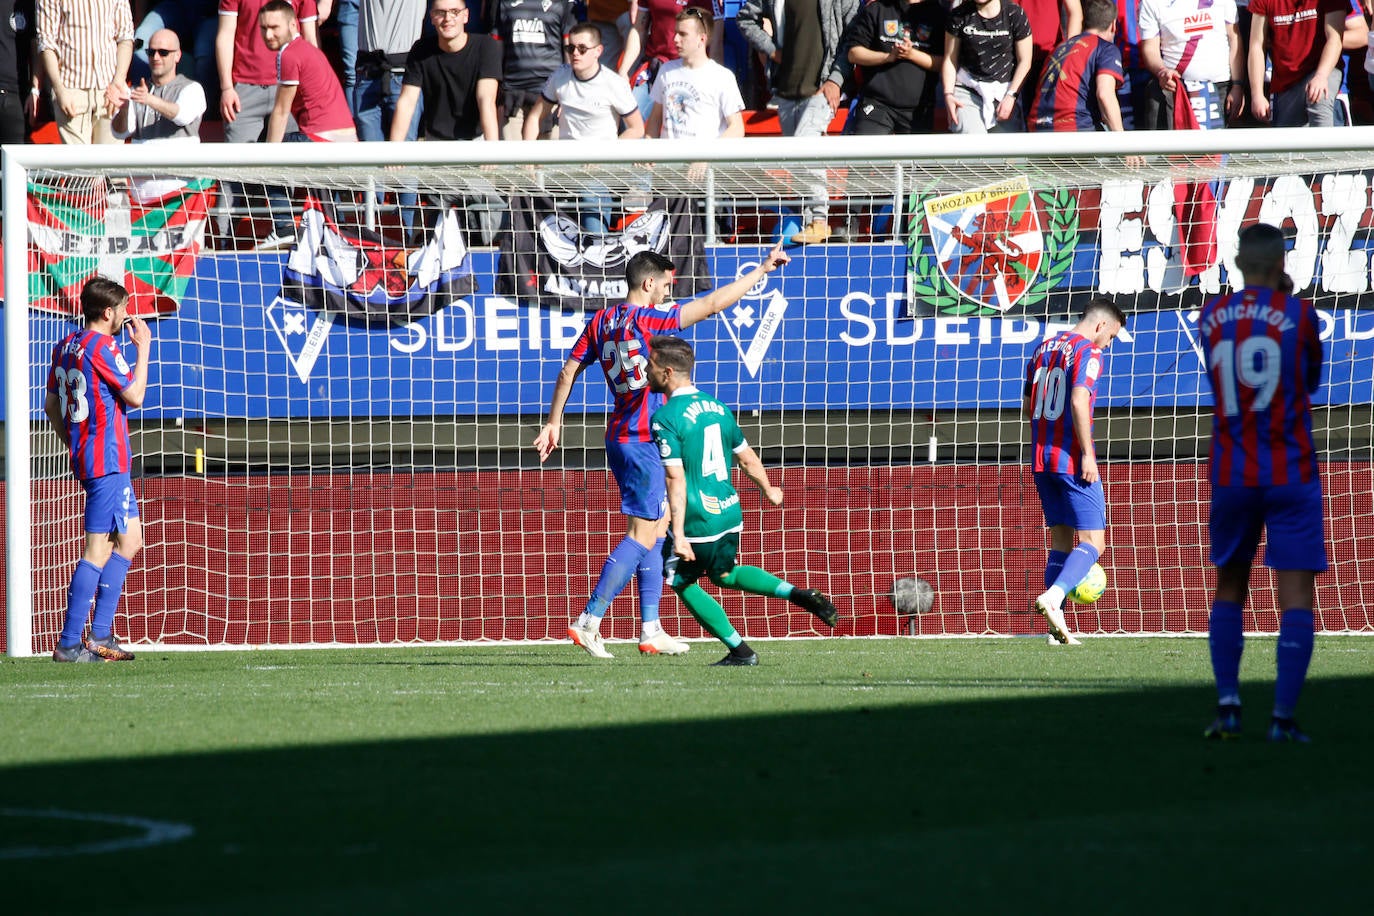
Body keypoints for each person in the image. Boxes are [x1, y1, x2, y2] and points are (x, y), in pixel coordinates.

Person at [533, 242, 792, 659]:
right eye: (665, 283)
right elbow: (710, 304)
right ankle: (590, 618)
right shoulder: (651, 319)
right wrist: (761, 270)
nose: (669, 290)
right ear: (648, 283)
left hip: (619, 436)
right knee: (644, 532)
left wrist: (554, 421)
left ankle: (651, 628)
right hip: (644, 441)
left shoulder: (600, 321)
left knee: (659, 526)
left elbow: (569, 370)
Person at [1197, 223, 1325, 743]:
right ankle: (1282, 720)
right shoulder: (1300, 315)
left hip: (1232, 469)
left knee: (1230, 584)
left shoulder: (1211, 317)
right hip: (1290, 469)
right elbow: (1311, 380)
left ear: (1236, 262)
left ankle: (1228, 707)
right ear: (1281, 264)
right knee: (1295, 595)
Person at [645, 336, 838, 666]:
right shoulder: (718, 407)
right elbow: (747, 458)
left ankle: (740, 650)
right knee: (725, 574)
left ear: (666, 372)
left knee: (680, 580)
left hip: (698, 518)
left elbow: (675, 478)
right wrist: (769, 490)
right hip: (729, 510)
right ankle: (796, 593)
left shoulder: (666, 417)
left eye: (649, 365)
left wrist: (677, 533)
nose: (645, 370)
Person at [44, 278, 152, 663]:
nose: (126, 314)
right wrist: (144, 350)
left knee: (131, 540)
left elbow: (51, 406)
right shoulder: (103, 346)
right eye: (122, 308)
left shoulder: (65, 345)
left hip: (96, 458)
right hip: (107, 459)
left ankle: (100, 635)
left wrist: (73, 442)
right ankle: (71, 643)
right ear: (108, 313)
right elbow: (135, 396)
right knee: (98, 548)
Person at [1025, 296, 1126, 646]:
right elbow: (1079, 399)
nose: (1107, 345)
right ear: (1100, 326)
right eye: (1110, 337)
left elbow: (1027, 404)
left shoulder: (1042, 348)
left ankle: (1056, 630)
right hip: (1070, 458)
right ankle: (1054, 598)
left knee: (1060, 541)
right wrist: (1087, 454)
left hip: (1041, 458)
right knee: (1093, 542)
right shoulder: (1088, 352)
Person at [736, 0, 859, 244]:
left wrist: (835, 79)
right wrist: (771, 50)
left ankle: (820, 221)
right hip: (785, 91)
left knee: (806, 145)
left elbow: (852, 38)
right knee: (796, 160)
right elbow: (745, 19)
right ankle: (808, 224)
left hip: (822, 89)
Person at [217, 0, 320, 249]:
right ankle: (223, 245)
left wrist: (310, 90)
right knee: (234, 174)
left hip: (290, 87)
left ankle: (290, 233)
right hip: (244, 90)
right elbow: (225, 34)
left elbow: (310, 39)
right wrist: (226, 87)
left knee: (286, 167)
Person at [523, 22, 645, 234]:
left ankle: (597, 251)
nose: (575, 54)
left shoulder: (613, 83)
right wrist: (527, 158)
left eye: (582, 49)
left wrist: (604, 154)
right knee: (522, 189)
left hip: (602, 167)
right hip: (564, 164)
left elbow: (637, 129)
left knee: (591, 194)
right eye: (570, 48)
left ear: (598, 51)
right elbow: (534, 117)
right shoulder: (560, 76)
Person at [392, 0, 500, 143]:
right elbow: (407, 101)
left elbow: (486, 100)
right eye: (440, 13)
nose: (448, 18)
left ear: (466, 15)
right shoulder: (421, 50)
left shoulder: (486, 46)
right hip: (435, 142)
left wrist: (492, 153)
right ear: (431, 17)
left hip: (475, 141)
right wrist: (395, 151)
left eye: (455, 12)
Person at [841, 0, 947, 136]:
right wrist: (888, 57)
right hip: (877, 104)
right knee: (869, 155)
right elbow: (854, 53)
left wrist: (912, 54)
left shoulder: (938, 14)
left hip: (918, 109)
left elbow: (946, 63)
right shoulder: (877, 8)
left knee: (915, 157)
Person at [36, 0, 135, 144]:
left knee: (109, 163)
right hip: (71, 89)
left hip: (109, 88)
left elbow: (125, 36)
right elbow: (46, 43)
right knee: (78, 164)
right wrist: (59, 89)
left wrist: (119, 81)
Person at [1137, 0, 1243, 129]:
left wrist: (1237, 85)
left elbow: (1234, 39)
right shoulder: (1151, 3)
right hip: (1175, 87)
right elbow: (1149, 48)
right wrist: (1161, 71)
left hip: (1220, 87)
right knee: (1172, 147)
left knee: (1216, 148)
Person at [260, 0, 356, 142]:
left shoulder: (289, 55)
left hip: (320, 139)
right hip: (348, 138)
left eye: (274, 27)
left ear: (293, 25)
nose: (268, 35)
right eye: (263, 28)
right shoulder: (310, 50)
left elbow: (281, 112)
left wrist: (267, 161)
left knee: (258, 148)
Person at [647, 7, 745, 139]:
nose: (675, 39)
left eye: (683, 34)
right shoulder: (666, 70)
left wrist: (708, 157)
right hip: (667, 158)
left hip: (704, 158)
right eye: (676, 32)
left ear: (702, 39)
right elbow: (655, 119)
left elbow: (737, 128)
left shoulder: (722, 77)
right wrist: (649, 154)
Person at [1029, 0, 1125, 131]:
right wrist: (1124, 145)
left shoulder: (1058, 49)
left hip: (1037, 129)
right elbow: (1104, 94)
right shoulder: (1106, 49)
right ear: (1113, 25)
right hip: (1074, 129)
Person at [1247, 0, 1345, 127]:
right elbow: (1256, 45)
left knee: (1319, 95)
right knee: (1288, 141)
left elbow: (1335, 39)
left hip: (1321, 70)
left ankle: (1324, 145)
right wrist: (1257, 94)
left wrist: (1321, 75)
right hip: (1285, 83)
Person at [942, 0, 1035, 134]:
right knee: (974, 146)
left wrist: (1011, 95)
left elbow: (1025, 61)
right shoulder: (958, 15)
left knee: (1010, 152)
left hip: (1004, 92)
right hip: (968, 89)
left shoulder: (1014, 13)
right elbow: (950, 59)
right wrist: (948, 94)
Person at [490, 0, 577, 140]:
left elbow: (570, 46)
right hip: (512, 92)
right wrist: (496, 90)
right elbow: (496, 46)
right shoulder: (501, 3)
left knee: (547, 158)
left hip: (549, 93)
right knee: (512, 158)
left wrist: (568, 90)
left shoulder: (563, 3)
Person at [112, 28, 207, 143]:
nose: (156, 57)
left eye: (163, 52)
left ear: (177, 55)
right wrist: (124, 110)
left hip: (179, 160)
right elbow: (119, 133)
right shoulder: (137, 91)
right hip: (143, 160)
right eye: (151, 52)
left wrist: (149, 100)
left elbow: (182, 116)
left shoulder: (192, 89)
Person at [0, 0, 38, 147]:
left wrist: (35, 90)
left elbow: (36, 50)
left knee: (14, 162)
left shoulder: (26, 4)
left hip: (17, 97)